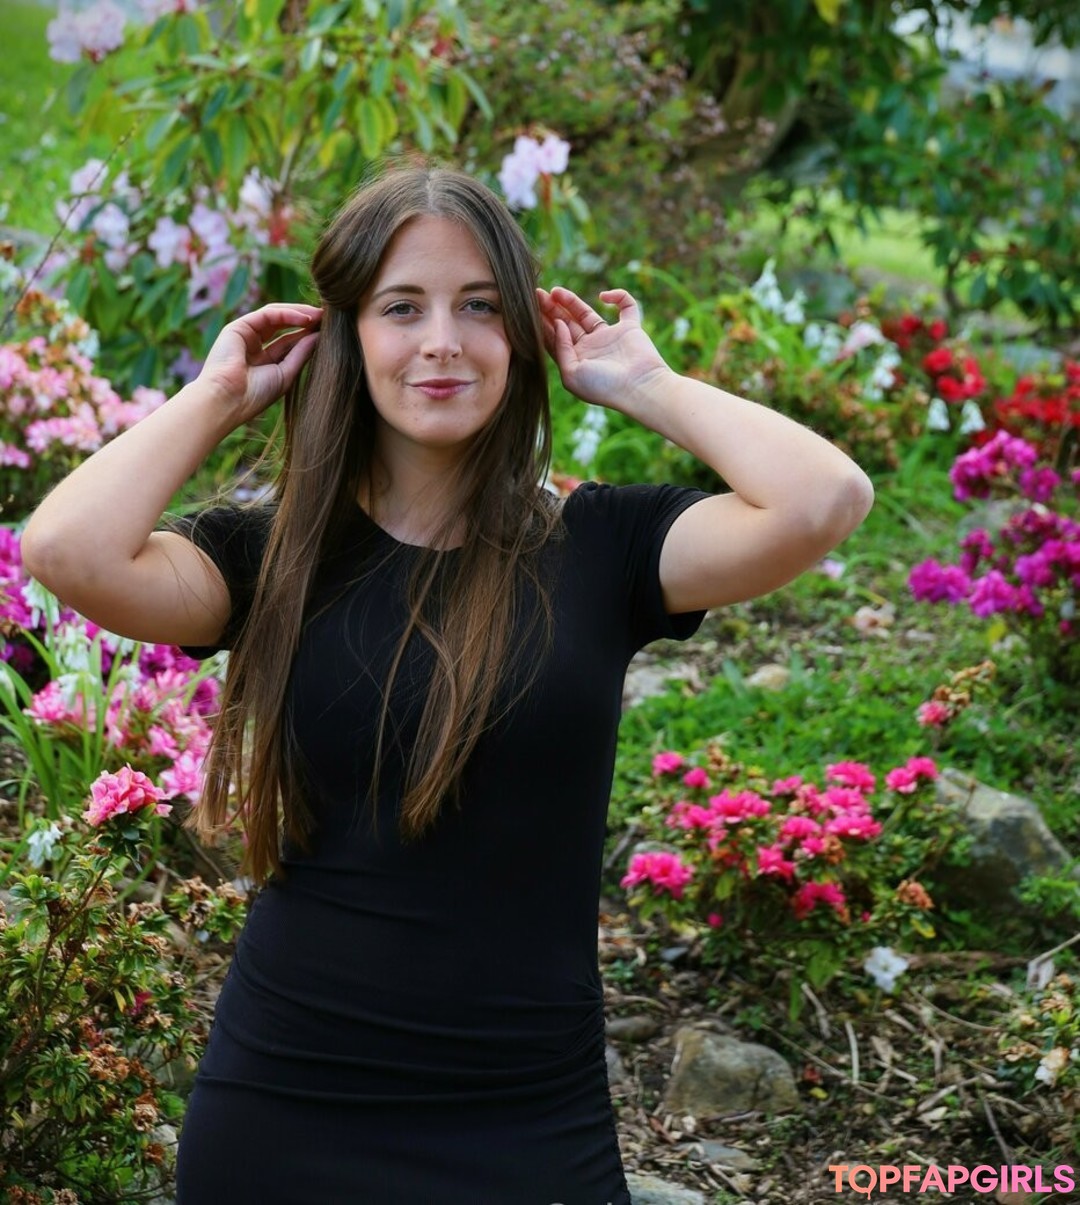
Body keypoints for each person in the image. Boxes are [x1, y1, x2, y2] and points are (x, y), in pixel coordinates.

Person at [21, 164, 874, 1204]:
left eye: (478, 306)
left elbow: (824, 497)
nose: (442, 341)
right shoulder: (272, 560)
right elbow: (65, 548)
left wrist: (642, 384)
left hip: (526, 1116)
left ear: (522, 332)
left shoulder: (601, 550)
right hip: (286, 1103)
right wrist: (218, 400)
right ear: (348, 335)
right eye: (401, 307)